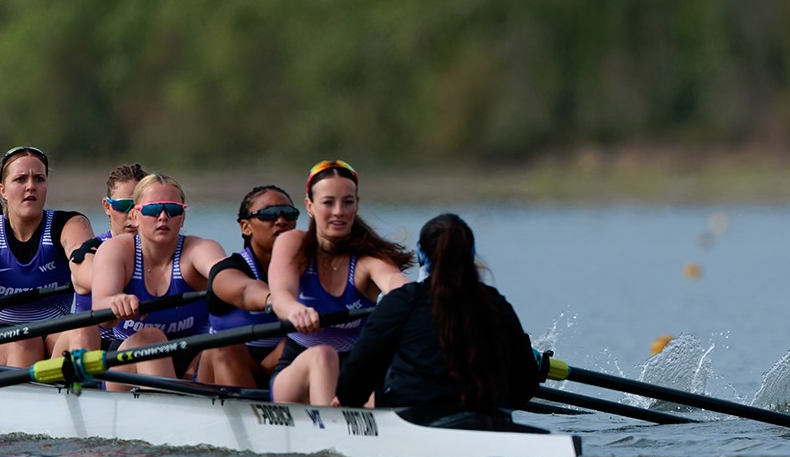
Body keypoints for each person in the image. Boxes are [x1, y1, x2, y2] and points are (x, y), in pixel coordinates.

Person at [336, 213, 541, 429]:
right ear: (471, 256)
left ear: (421, 255)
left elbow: (354, 381)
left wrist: (349, 403)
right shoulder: (496, 303)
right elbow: (526, 384)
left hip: (416, 422)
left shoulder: (402, 301)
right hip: (490, 419)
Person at [267, 159, 412, 406]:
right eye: (328, 202)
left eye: (347, 202)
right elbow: (281, 296)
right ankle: (332, 437)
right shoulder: (292, 243)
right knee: (324, 355)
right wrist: (296, 311)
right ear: (309, 206)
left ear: (357, 206)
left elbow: (399, 286)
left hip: (354, 374)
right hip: (296, 374)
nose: (338, 211)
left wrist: (424, 299)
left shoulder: (370, 259)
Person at [0, 146, 96, 367]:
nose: (31, 186)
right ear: (2, 190)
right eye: (20, 179)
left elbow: (83, 260)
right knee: (26, 343)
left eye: (39, 179)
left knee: (84, 333)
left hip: (53, 331)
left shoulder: (69, 223)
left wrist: (102, 283)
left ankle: (80, 392)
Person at [91, 173, 226, 379]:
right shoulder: (116, 250)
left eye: (172, 209)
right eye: (153, 209)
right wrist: (116, 301)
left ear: (182, 218)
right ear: (134, 216)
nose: (163, 216)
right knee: (150, 337)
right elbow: (102, 315)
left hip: (192, 354)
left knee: (223, 347)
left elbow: (225, 275)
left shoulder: (199, 248)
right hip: (129, 359)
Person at [201, 184, 301, 388]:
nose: (281, 221)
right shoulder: (227, 270)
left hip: (278, 364)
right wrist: (278, 300)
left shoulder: (308, 269)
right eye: (269, 214)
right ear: (245, 226)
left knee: (312, 341)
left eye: (289, 214)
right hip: (224, 367)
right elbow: (246, 291)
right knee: (225, 345)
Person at [68, 163, 146, 337]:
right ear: (107, 207)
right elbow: (101, 281)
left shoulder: (162, 252)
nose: (132, 214)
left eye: (139, 206)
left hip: (137, 346)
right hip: (93, 346)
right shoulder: (87, 253)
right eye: (124, 206)